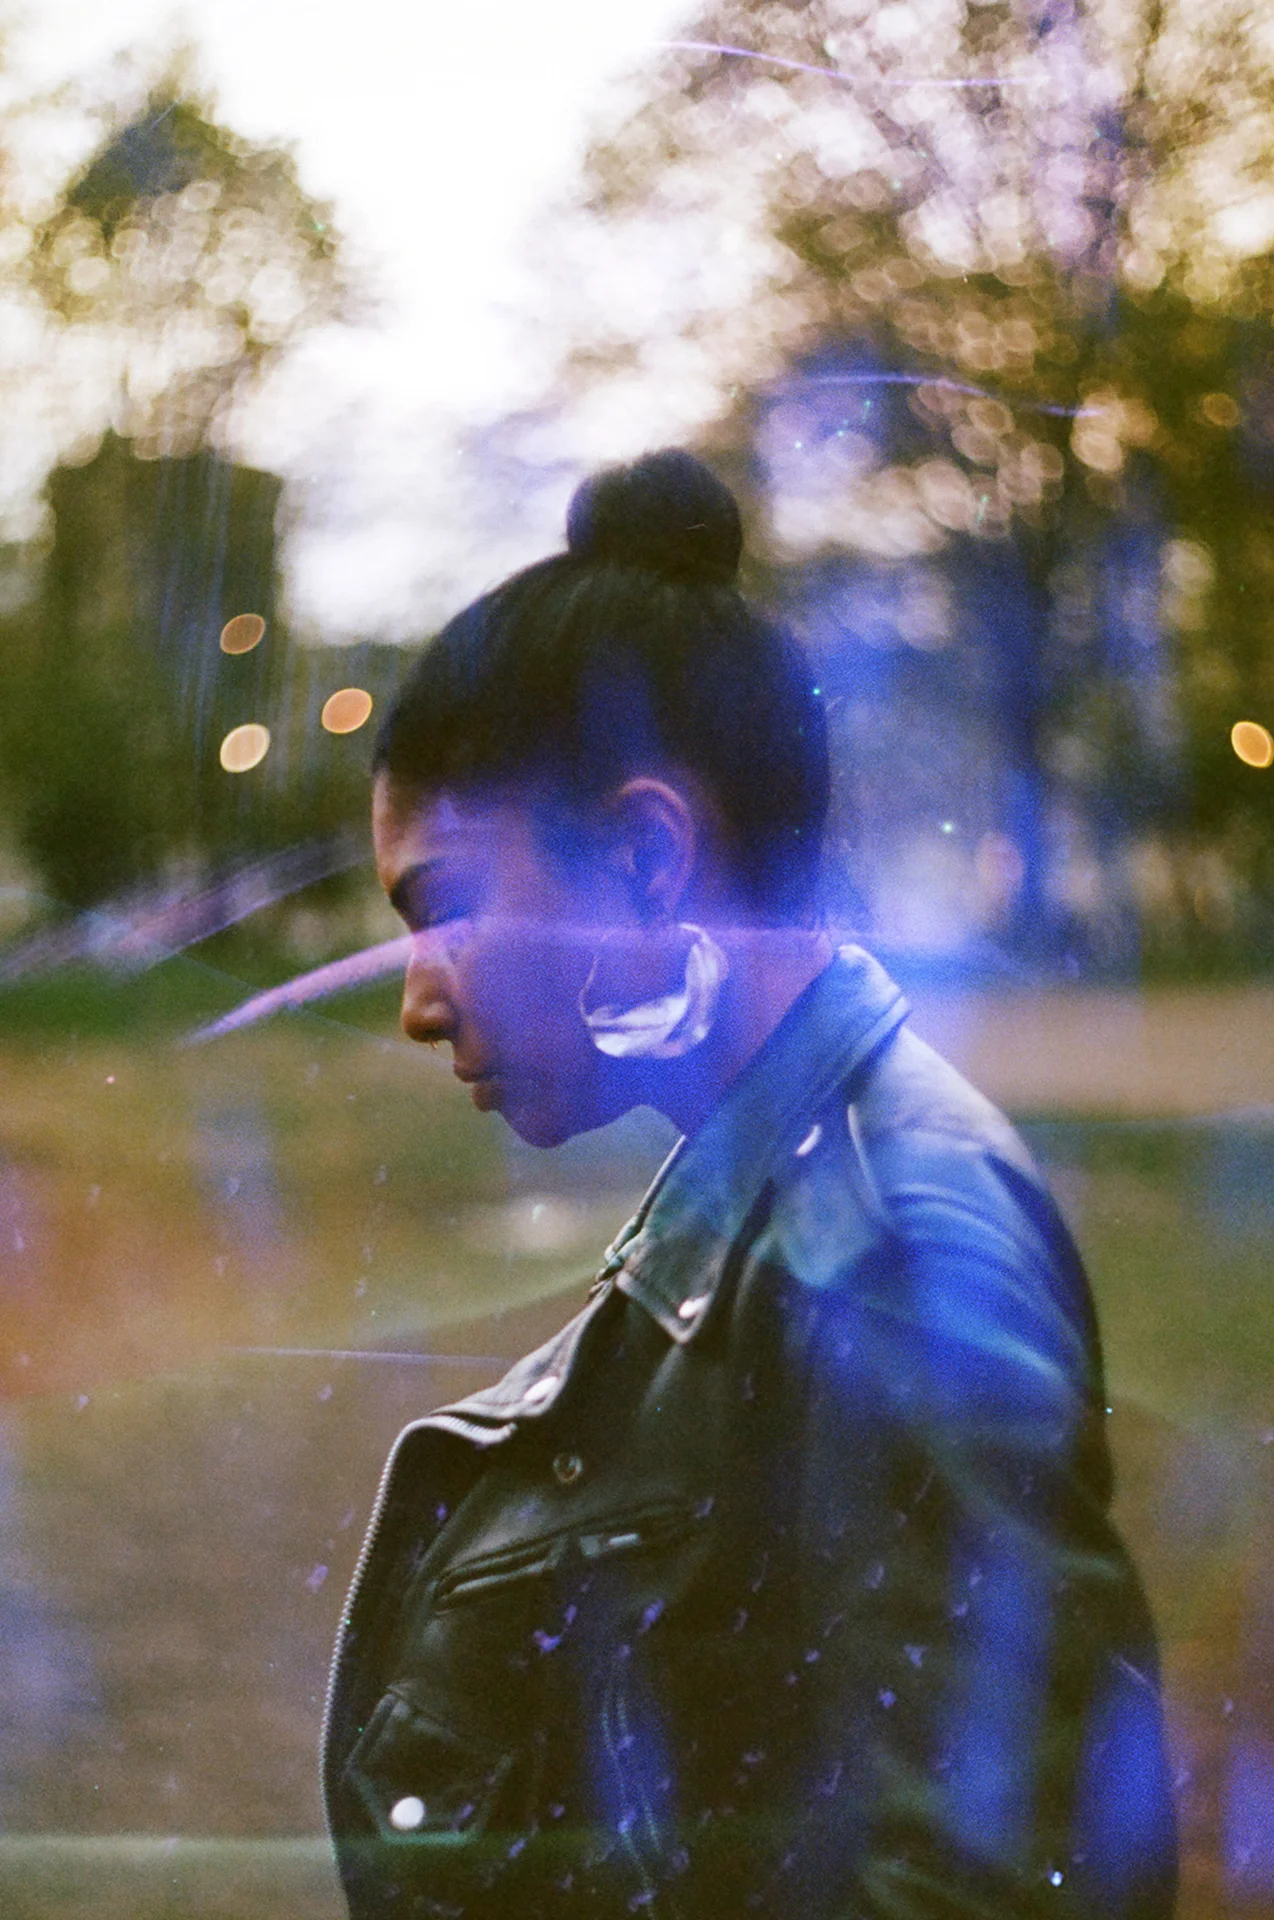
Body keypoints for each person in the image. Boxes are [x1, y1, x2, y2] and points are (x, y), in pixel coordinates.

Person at [322, 449, 1177, 1919]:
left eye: (448, 903)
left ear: (644, 856)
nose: (417, 1000)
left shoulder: (886, 1243)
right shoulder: (790, 1174)